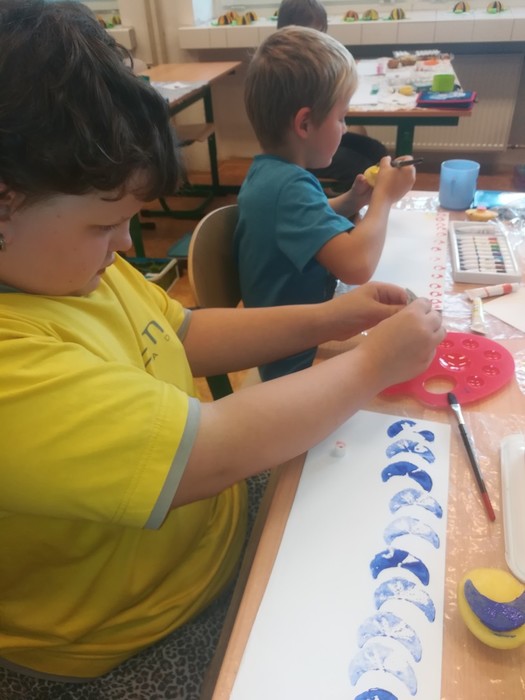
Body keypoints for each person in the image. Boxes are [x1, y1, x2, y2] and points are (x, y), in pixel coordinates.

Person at [0, 1, 444, 697]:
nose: (124, 245)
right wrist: (370, 363)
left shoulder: (66, 268)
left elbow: (184, 333)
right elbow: (206, 450)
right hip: (136, 636)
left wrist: (332, 318)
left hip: (215, 534)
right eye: (102, 224)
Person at [234, 26, 417, 381]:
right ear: (305, 123)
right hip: (293, 362)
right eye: (341, 117)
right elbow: (357, 266)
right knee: (402, 352)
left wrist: (352, 200)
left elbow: (301, 226)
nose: (345, 129)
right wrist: (384, 198)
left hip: (298, 339)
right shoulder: (290, 187)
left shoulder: (270, 174)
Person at [277, 0, 389, 191]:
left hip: (317, 134)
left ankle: (349, 199)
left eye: (321, 33)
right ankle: (343, 199)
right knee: (361, 167)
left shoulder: (314, 60)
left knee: (377, 152)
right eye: (312, 34)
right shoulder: (286, 68)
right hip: (301, 146)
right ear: (289, 32)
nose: (320, 40)